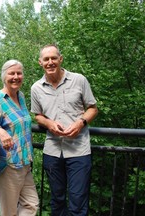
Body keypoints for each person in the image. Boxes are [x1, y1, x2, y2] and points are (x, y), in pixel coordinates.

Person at [30, 44, 98, 216]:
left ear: (61, 59)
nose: (50, 62)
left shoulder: (79, 80)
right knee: (57, 200)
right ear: (40, 62)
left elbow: (93, 108)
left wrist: (80, 123)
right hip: (52, 151)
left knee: (78, 201)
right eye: (46, 59)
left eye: (54, 58)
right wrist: (49, 123)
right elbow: (37, 116)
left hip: (79, 150)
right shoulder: (36, 88)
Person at [0, 59, 39, 216]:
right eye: (12, 73)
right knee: (9, 212)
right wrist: (0, 131)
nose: (16, 77)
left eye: (19, 73)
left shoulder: (21, 96)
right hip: (8, 165)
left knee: (31, 204)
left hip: (24, 162)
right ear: (4, 76)